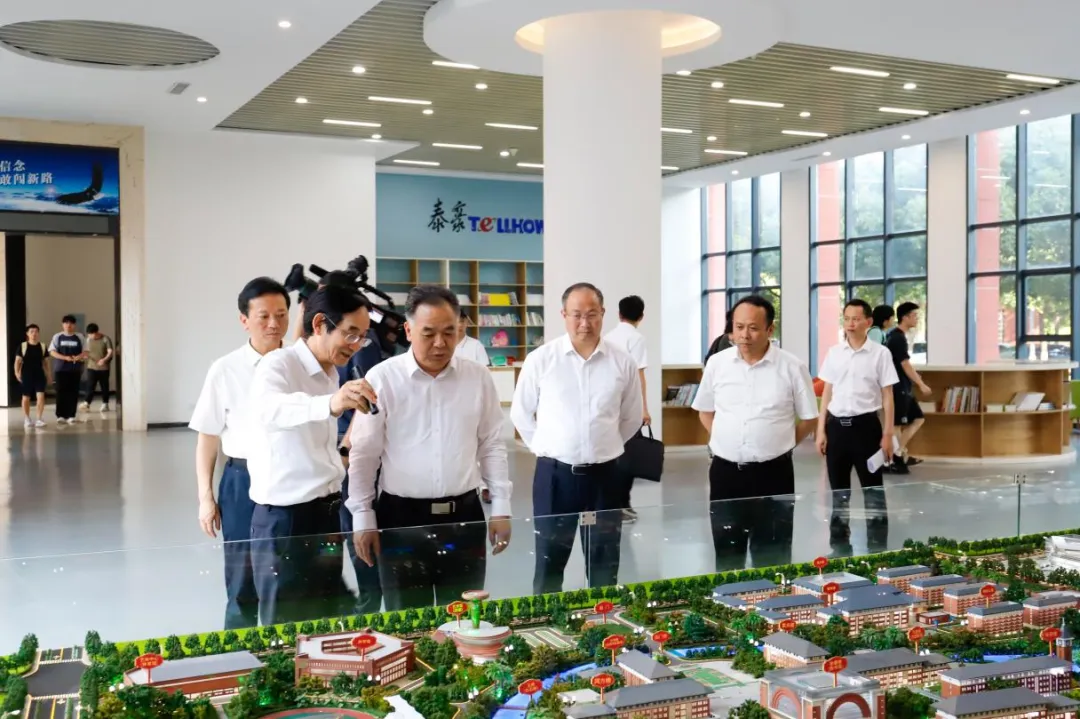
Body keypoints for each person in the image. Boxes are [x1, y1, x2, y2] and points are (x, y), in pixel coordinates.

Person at [349, 286, 513, 609]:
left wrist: (501, 507)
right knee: (408, 619)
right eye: (429, 333)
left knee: (464, 618)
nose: (440, 343)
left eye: (449, 332)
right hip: (401, 521)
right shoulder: (382, 379)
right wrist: (363, 516)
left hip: (464, 518)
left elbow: (491, 443)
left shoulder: (478, 378)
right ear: (408, 331)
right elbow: (365, 454)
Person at [247, 284, 378, 625]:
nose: (356, 345)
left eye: (362, 337)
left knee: (324, 618)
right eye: (350, 334)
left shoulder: (330, 372)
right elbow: (270, 410)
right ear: (319, 323)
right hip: (286, 522)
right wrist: (330, 403)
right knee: (284, 625)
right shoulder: (279, 364)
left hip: (326, 516)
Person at [511, 282, 642, 594]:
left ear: (603, 314)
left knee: (604, 563)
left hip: (605, 477)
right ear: (564, 315)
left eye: (592, 314)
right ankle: (546, 620)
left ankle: (603, 618)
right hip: (555, 477)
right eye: (577, 315)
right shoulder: (542, 359)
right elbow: (521, 414)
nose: (585, 322)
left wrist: (604, 445)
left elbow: (632, 417)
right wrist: (545, 448)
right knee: (549, 562)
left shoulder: (622, 361)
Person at [189, 277, 290, 629]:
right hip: (242, 480)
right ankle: (241, 649)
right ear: (244, 320)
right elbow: (207, 437)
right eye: (264, 316)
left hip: (290, 476)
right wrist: (205, 498)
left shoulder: (300, 364)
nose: (274, 324)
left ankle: (286, 649)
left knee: (287, 573)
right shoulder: (225, 369)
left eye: (281, 314)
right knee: (242, 576)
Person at [692, 295, 818, 571]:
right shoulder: (717, 363)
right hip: (726, 473)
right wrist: (724, 438)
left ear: (770, 329)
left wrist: (782, 444)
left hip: (774, 474)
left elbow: (809, 418)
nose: (744, 335)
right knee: (727, 553)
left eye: (753, 328)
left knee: (773, 555)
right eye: (738, 327)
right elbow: (704, 411)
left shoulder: (792, 366)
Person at [815, 299, 898, 555]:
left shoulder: (880, 354)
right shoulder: (834, 353)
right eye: (847, 318)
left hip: (866, 428)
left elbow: (888, 396)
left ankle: (877, 548)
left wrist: (888, 434)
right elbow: (827, 393)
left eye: (856, 319)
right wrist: (821, 429)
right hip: (836, 428)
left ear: (868, 322)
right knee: (839, 492)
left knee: (873, 491)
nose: (850, 324)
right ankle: (839, 546)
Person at [336, 326, 386, 615]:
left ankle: (369, 605)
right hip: (328, 456)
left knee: (356, 529)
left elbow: (367, 399)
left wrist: (346, 447)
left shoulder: (361, 342)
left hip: (349, 452)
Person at [604, 295, 650, 523]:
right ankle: (621, 505)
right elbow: (639, 375)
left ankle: (617, 504)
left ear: (618, 314)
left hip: (610, 404)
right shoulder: (636, 338)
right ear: (641, 316)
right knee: (629, 459)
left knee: (612, 457)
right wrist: (644, 409)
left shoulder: (607, 337)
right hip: (628, 406)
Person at [885, 302, 931, 473]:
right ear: (904, 317)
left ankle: (897, 453)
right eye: (914, 316)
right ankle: (895, 458)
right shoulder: (897, 338)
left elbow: (902, 363)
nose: (916, 319)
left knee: (918, 418)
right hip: (898, 388)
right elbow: (904, 364)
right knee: (897, 425)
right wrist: (921, 384)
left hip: (903, 387)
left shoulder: (896, 336)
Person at [48, 315, 86, 425]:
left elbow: (86, 351)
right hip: (61, 369)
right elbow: (52, 351)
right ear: (63, 324)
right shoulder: (57, 336)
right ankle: (60, 415)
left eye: (71, 323)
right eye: (66, 323)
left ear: (74, 325)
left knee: (73, 392)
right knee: (61, 392)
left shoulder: (80, 337)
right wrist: (65, 357)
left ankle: (71, 415)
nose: (68, 325)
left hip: (75, 369)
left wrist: (79, 357)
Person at [14, 324, 49, 429]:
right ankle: (27, 418)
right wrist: (17, 373)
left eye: (36, 331)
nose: (34, 334)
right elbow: (17, 361)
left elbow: (46, 362)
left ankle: (39, 419)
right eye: (32, 332)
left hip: (39, 374)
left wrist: (49, 374)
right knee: (26, 398)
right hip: (26, 374)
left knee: (41, 396)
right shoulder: (23, 346)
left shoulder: (43, 346)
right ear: (27, 334)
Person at [80, 323, 115, 413]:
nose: (90, 336)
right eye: (88, 334)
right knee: (90, 385)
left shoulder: (105, 339)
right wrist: (84, 356)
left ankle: (105, 404)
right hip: (91, 367)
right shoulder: (88, 340)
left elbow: (110, 352)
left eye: (91, 334)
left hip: (103, 368)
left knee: (104, 386)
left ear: (96, 332)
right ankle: (87, 403)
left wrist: (104, 360)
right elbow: (85, 352)